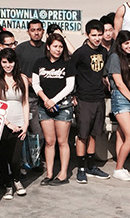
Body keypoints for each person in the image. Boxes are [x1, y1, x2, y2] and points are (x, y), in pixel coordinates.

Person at [69, 20, 113, 182]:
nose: (97, 38)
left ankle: (91, 166)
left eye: (99, 35)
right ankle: (81, 168)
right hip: (84, 99)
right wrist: (73, 94)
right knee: (83, 135)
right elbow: (70, 73)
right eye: (93, 35)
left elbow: (102, 73)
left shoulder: (103, 51)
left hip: (99, 98)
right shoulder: (80, 53)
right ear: (87, 35)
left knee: (95, 134)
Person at [32, 33, 76, 185]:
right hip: (44, 107)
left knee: (62, 141)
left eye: (61, 46)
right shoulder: (39, 62)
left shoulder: (68, 63)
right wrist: (46, 100)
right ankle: (49, 173)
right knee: (49, 142)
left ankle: (63, 174)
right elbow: (35, 84)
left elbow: (69, 86)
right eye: (55, 46)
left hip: (63, 107)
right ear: (48, 47)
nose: (58, 49)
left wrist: (53, 101)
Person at [0, 48, 30, 199]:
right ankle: (8, 185)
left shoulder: (22, 78)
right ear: (0, 63)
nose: (8, 65)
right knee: (1, 157)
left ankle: (16, 180)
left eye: (11, 62)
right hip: (2, 124)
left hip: (19, 123)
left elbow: (25, 102)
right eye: (5, 62)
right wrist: (6, 123)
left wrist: (25, 124)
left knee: (15, 158)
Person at [105, 30, 130, 181]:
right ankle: (118, 168)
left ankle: (120, 166)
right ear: (120, 44)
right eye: (127, 43)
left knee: (121, 133)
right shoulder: (115, 57)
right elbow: (119, 83)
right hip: (121, 98)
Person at [16, 19, 47, 139]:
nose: (36, 33)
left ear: (43, 31)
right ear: (28, 32)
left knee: (42, 134)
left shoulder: (47, 48)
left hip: (44, 96)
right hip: (26, 96)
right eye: (33, 30)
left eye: (39, 30)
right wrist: (24, 79)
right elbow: (12, 69)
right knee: (27, 130)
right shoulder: (21, 49)